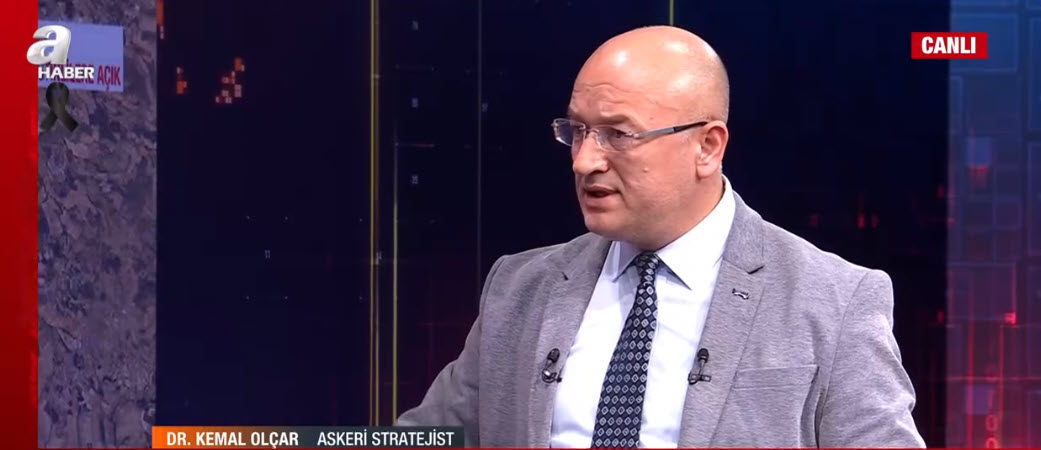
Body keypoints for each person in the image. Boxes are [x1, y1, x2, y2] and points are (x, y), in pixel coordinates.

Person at [396, 25, 925, 448]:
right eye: (577, 131)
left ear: (707, 147)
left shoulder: (835, 300)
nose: (584, 161)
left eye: (618, 134)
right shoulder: (519, 287)